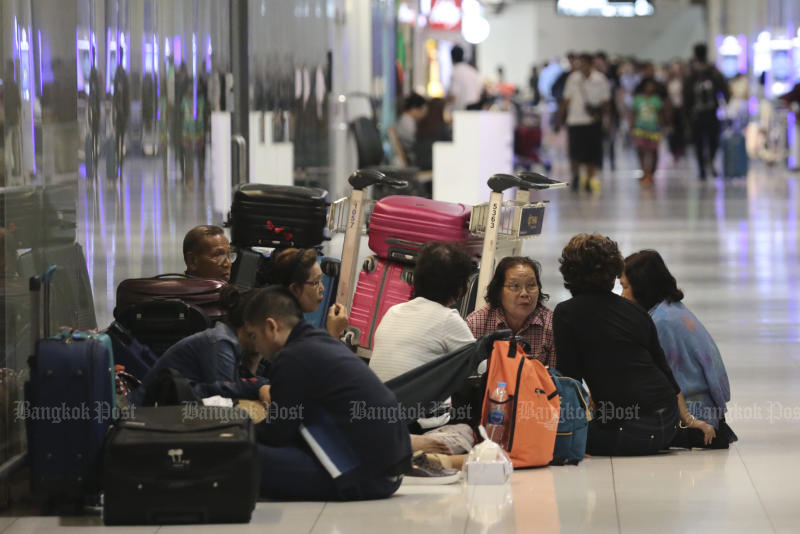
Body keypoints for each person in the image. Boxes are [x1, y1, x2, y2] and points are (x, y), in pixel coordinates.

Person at [553, 234, 716, 456]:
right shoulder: (636, 310)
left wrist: (574, 435)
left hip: (626, 428)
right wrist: (688, 419)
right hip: (667, 423)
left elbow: (570, 382)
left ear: (569, 271)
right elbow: (665, 372)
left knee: (547, 434)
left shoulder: (566, 313)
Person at [243, 286, 411, 500]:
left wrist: (236, 429)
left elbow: (278, 433)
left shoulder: (291, 358)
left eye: (253, 336)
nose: (255, 347)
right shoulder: (319, 341)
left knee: (238, 452)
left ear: (271, 327)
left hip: (367, 477)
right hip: (389, 472)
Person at [621, 250, 735, 447]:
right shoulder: (672, 310)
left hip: (690, 418)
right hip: (707, 412)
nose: (622, 296)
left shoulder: (660, 323)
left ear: (641, 288)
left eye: (625, 287)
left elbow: (653, 383)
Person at [128, 286, 268, 406]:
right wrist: (257, 386)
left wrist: (255, 357)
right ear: (250, 324)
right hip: (143, 414)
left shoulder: (230, 339)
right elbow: (226, 398)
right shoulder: (221, 342)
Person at [370, 242, 475, 382]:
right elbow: (480, 366)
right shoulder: (446, 319)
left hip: (374, 400)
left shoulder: (392, 312)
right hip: (416, 402)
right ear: (460, 288)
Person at [466, 256, 556, 368]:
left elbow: (557, 380)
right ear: (498, 291)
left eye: (531, 285)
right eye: (515, 286)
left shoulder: (551, 325)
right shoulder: (476, 324)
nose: (524, 293)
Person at [269, 248, 349, 339]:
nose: (322, 288)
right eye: (316, 282)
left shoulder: (291, 322)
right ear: (295, 289)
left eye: (321, 280)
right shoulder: (285, 332)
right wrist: (333, 332)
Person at [561, 53, 610, 193]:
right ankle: (575, 176)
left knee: (591, 154)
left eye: (583, 63)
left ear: (590, 64)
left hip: (592, 122)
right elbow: (566, 100)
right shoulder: (573, 79)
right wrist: (560, 118)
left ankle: (589, 178)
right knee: (575, 152)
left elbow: (606, 101)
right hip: (575, 121)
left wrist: (606, 119)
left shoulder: (600, 79)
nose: (580, 66)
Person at [684, 43, 730, 180]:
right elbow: (687, 95)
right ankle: (702, 168)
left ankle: (708, 163)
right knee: (701, 141)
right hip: (699, 114)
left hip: (708, 113)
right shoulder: (694, 74)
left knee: (711, 141)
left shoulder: (711, 72)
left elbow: (723, 88)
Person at [631, 78, 665, 186]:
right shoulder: (638, 99)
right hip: (640, 127)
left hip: (653, 128)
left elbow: (660, 114)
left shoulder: (656, 99)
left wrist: (661, 126)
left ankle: (651, 173)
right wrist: (631, 126)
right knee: (641, 150)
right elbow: (633, 113)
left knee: (653, 150)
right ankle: (643, 172)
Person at [414, 97, 451, 172]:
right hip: (434, 163)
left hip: (420, 161)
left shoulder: (421, 123)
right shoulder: (441, 126)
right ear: (441, 110)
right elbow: (450, 144)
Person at [395, 92, 427, 165]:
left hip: (411, 155)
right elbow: (414, 142)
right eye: (421, 110)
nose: (423, 113)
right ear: (413, 109)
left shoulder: (407, 119)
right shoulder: (407, 122)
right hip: (411, 158)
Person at [447, 45, 482, 111]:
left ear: (451, 58)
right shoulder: (473, 71)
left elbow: (453, 96)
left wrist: (443, 102)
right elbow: (479, 94)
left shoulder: (456, 72)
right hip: (473, 111)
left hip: (459, 111)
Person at [3, 60, 22, 178]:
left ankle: (10, 170)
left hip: (9, 120)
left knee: (9, 147)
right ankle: (14, 170)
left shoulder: (6, 86)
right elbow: (18, 105)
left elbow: (18, 105)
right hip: (12, 120)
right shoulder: (12, 85)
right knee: (13, 147)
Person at [112, 51, 130, 173]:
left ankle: (120, 159)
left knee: (121, 137)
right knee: (118, 136)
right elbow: (115, 94)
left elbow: (126, 95)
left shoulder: (123, 76)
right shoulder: (118, 75)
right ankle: (118, 158)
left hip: (122, 112)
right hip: (119, 112)